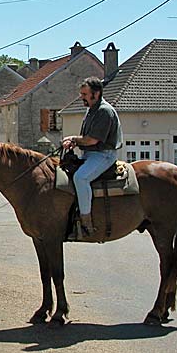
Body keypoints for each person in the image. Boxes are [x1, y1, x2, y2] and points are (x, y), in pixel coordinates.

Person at [61, 77, 122, 237]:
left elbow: (91, 140)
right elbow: (86, 139)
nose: (82, 97)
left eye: (84, 94)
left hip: (103, 155)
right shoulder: (92, 110)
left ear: (96, 93)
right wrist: (74, 142)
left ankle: (86, 221)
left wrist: (73, 139)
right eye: (81, 94)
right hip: (90, 154)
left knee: (81, 178)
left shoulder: (104, 111)